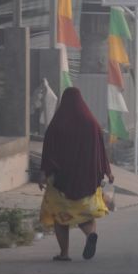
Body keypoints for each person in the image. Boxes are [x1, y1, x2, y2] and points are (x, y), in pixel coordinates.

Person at [38, 87, 114, 262]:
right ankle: (90, 235)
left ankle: (64, 254)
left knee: (60, 216)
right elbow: (101, 150)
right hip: (87, 180)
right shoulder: (92, 123)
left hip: (61, 181)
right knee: (84, 214)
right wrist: (107, 172)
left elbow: (48, 150)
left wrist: (43, 173)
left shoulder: (57, 124)